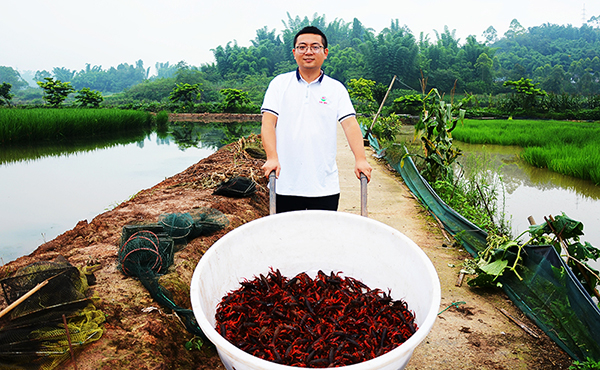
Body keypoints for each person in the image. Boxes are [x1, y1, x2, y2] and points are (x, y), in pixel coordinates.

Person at [261, 26, 372, 213]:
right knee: (286, 239)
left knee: (322, 239)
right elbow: (268, 123)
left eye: (315, 47)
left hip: (324, 185)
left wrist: (360, 159)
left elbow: (350, 125)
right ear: (294, 52)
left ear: (325, 52)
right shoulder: (279, 85)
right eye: (302, 47)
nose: (308, 52)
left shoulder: (336, 89)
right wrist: (272, 157)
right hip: (284, 183)